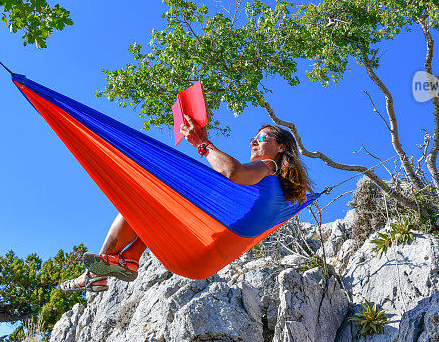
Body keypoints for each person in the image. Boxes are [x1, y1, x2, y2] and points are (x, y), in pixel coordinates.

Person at [59, 116, 313, 292]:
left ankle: (94, 274)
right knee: (159, 207)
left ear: (281, 147)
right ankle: (130, 259)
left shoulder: (268, 167)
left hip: (202, 250)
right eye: (254, 138)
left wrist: (203, 144)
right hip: (206, 260)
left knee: (137, 204)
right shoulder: (285, 192)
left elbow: (232, 172)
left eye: (261, 137)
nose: (253, 142)